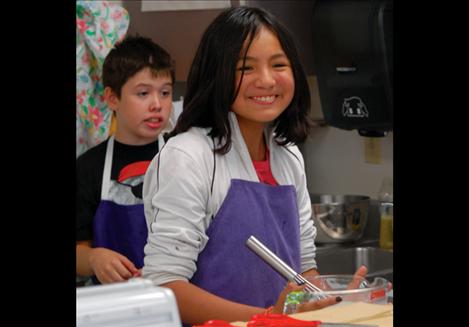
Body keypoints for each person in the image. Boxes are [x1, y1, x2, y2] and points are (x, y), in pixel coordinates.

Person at [142, 7, 367, 324]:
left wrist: (334, 302)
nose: (266, 80)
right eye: (245, 68)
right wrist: (267, 318)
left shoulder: (288, 156)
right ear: (216, 74)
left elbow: (303, 268)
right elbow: (164, 286)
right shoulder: (189, 155)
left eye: (278, 65)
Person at [76, 35, 175, 285]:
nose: (157, 104)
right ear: (112, 98)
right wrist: (94, 258)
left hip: (179, 300)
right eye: (143, 93)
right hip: (114, 305)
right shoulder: (89, 167)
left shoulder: (183, 155)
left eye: (165, 93)